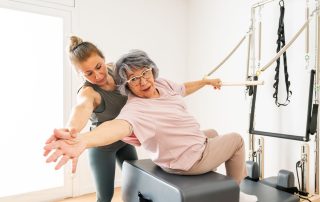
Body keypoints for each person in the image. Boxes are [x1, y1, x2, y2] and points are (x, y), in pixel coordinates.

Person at [44, 50, 257, 201]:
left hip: (165, 153)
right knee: (236, 140)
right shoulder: (133, 107)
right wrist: (80, 137)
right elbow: (114, 123)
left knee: (212, 133)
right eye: (134, 80)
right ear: (126, 86)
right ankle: (235, 195)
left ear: (152, 70)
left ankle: (212, 184)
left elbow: (182, 88)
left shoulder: (160, 83)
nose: (143, 82)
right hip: (174, 159)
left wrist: (206, 81)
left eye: (145, 73)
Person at [44, 36, 138, 202]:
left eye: (98, 66)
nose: (98, 75)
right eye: (88, 73)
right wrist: (69, 131)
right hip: (101, 147)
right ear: (80, 74)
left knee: (138, 184)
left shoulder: (116, 70)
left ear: (104, 59)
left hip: (124, 141)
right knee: (105, 196)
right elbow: (81, 108)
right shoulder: (88, 93)